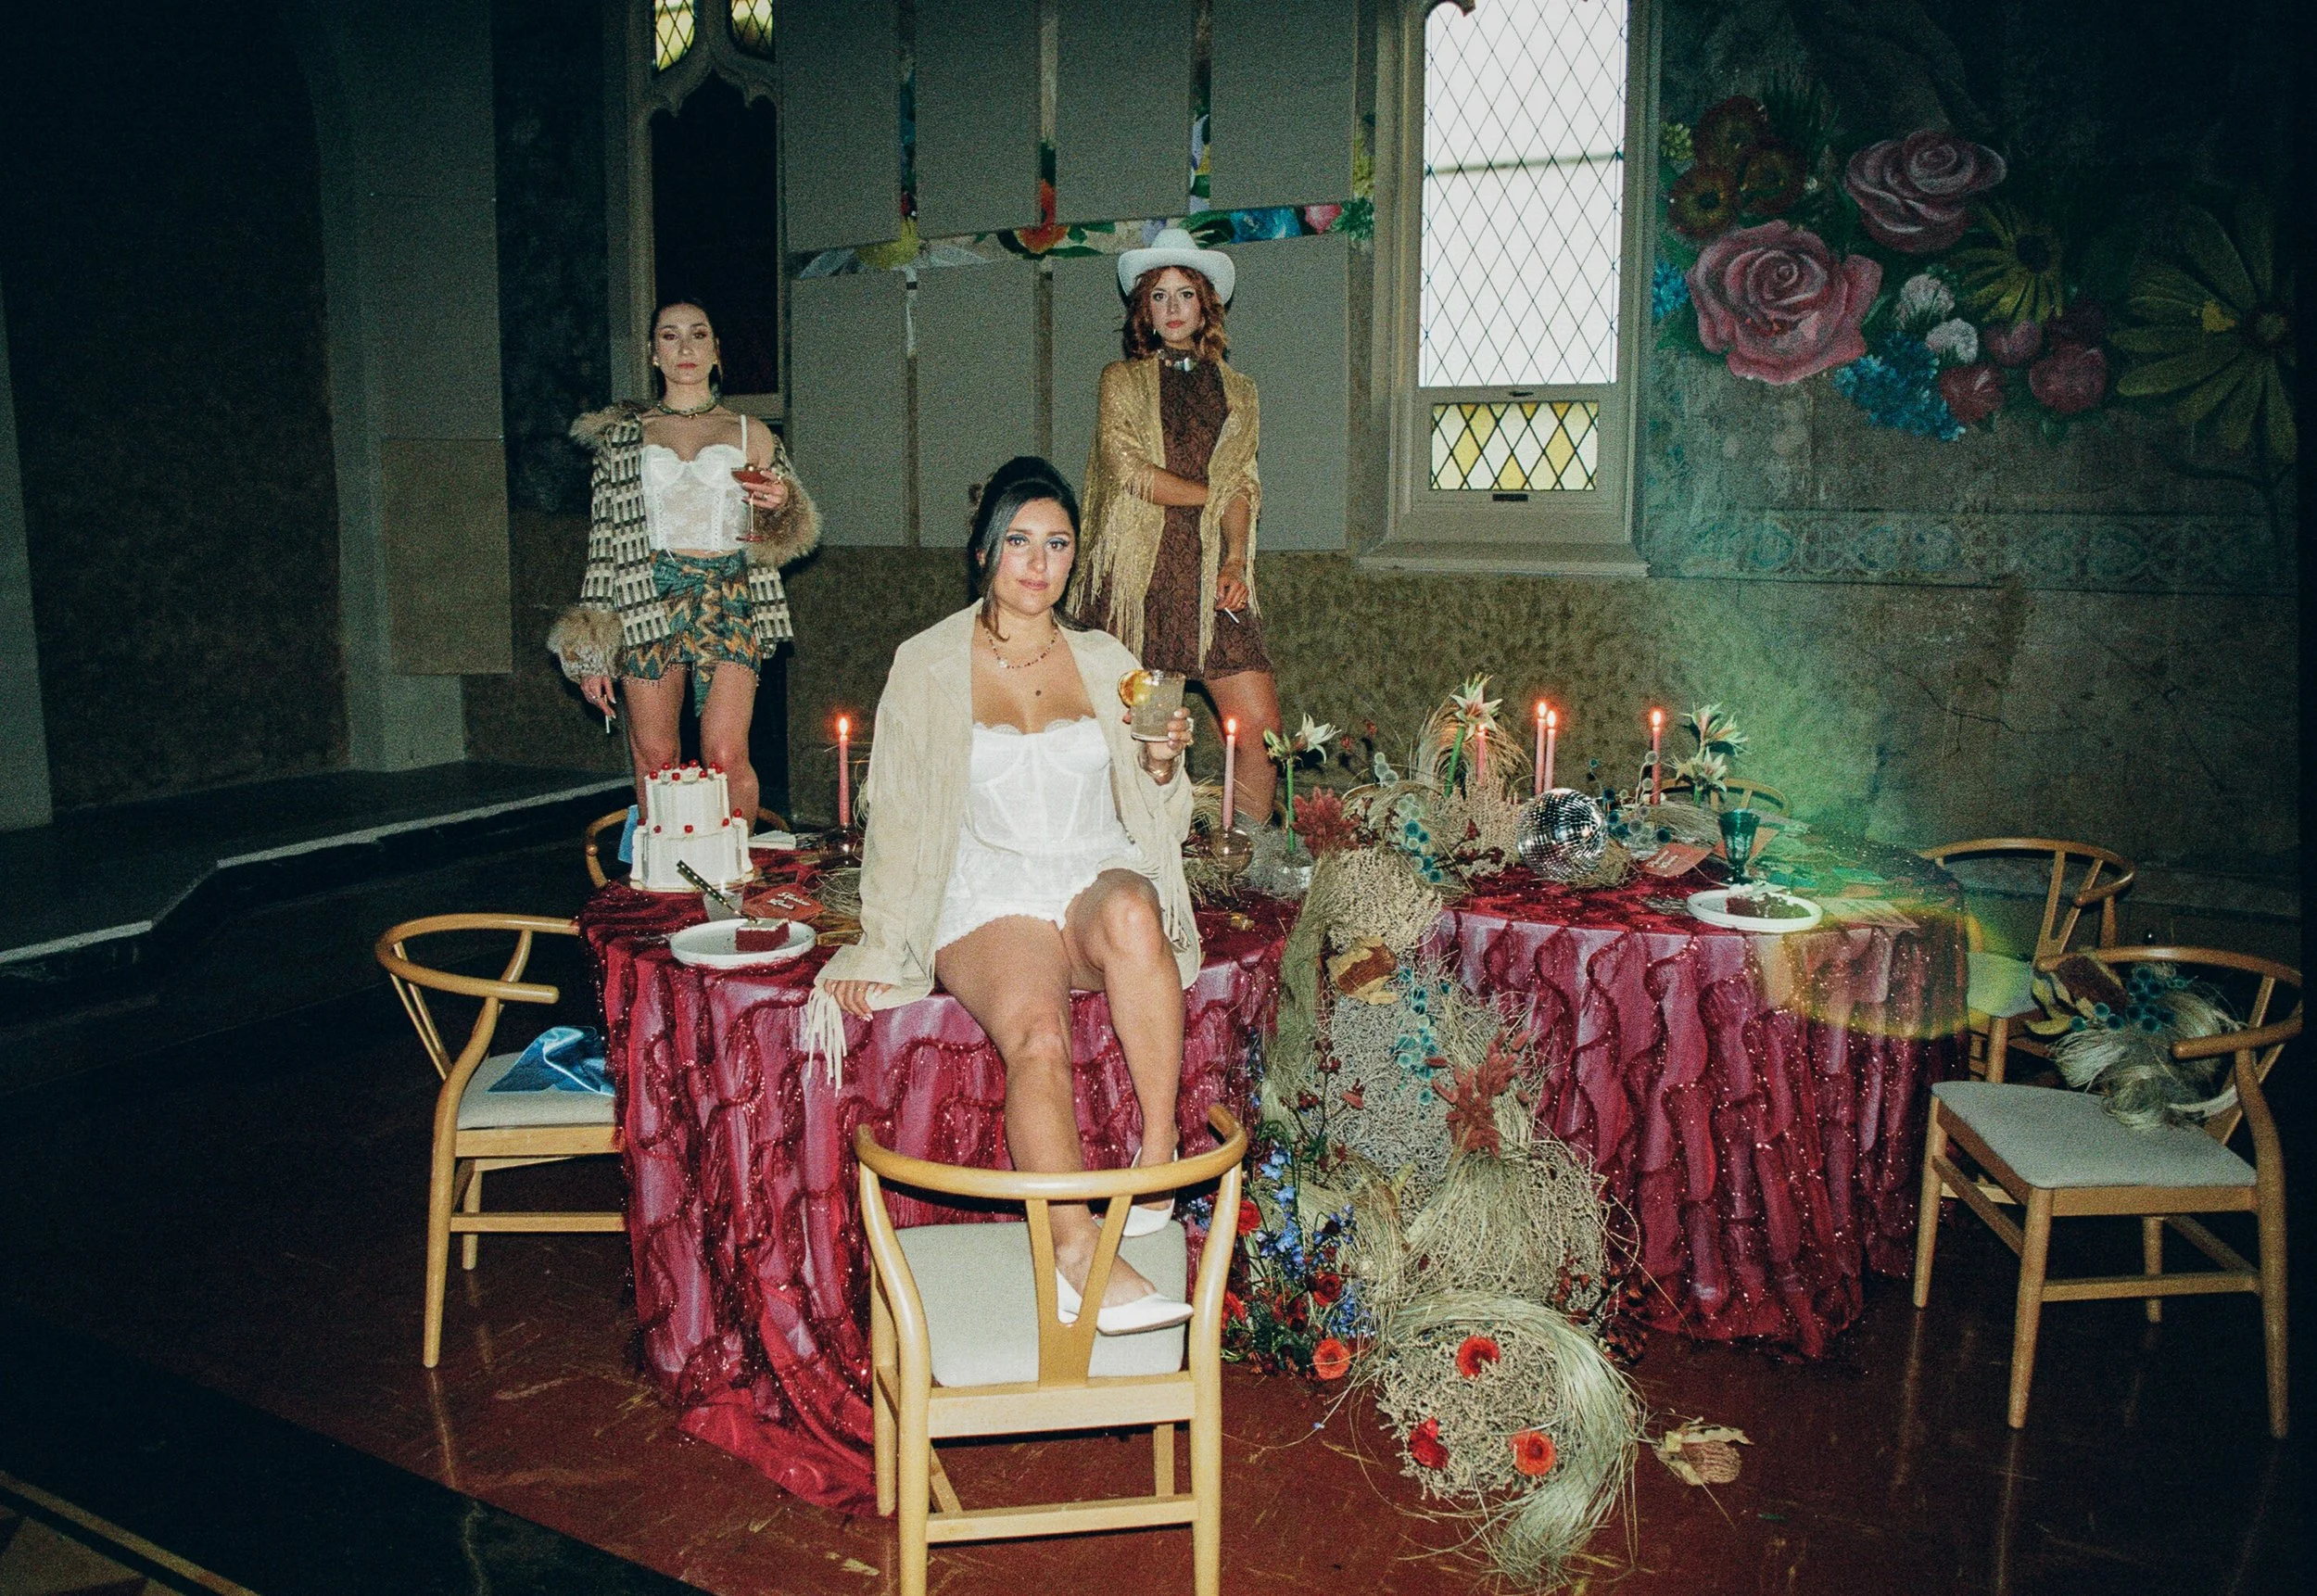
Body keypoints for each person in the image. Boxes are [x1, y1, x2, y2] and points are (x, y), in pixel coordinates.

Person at [813, 456, 1200, 1334]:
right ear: (987, 548)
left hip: (1089, 870)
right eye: (1020, 541)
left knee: (1137, 912)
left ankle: (1158, 1152)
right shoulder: (928, 663)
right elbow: (902, 819)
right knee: (1037, 1035)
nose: (1039, 563)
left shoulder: (1109, 662)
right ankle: (1073, 1252)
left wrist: (1163, 764)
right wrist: (882, 942)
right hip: (990, 891)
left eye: (1058, 544)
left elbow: (1160, 816)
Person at [549, 299, 818, 825]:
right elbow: (603, 542)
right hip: (648, 597)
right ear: (653, 353)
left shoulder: (752, 432)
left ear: (716, 351)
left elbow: (789, 529)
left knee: (724, 756)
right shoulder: (622, 439)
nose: (686, 347)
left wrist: (781, 506)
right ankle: (666, 889)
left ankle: (735, 878)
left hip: (731, 596)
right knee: (655, 758)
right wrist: (591, 652)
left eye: (699, 334)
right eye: (670, 336)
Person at [1073, 227, 1284, 829]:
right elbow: (1129, 471)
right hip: (1145, 582)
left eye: (1184, 294)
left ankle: (1241, 866)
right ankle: (1145, 865)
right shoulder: (1123, 380)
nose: (1171, 308)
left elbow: (1243, 483)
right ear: (1144, 307)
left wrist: (1235, 560)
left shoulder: (1239, 391)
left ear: (1205, 304)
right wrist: (1213, 496)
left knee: (1262, 732)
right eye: (1158, 295)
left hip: (1212, 577)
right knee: (1151, 738)